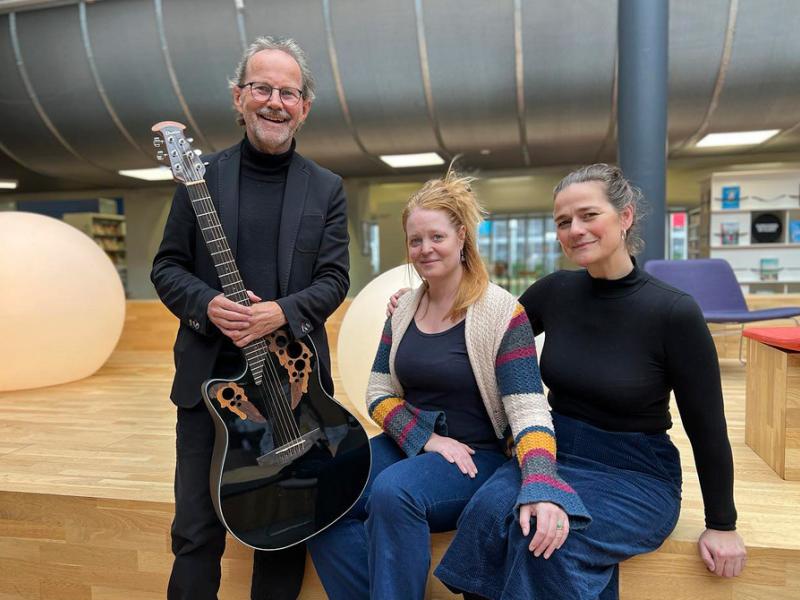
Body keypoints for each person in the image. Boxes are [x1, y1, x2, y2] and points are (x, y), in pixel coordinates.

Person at [428, 163, 747, 599]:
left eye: (588, 215)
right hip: (555, 452)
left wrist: (722, 524)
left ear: (625, 216)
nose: (575, 229)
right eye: (563, 222)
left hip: (635, 473)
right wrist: (420, 304)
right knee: (485, 514)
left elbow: (708, 427)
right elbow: (484, 336)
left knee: (546, 541)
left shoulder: (673, 312)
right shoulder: (555, 292)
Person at [307, 170, 590, 600]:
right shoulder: (402, 309)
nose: (425, 249)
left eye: (436, 237)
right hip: (415, 444)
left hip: (481, 458)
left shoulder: (501, 312)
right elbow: (378, 393)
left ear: (461, 236)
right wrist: (428, 440)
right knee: (321, 494)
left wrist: (540, 482)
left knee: (393, 491)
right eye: (415, 240)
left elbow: (529, 409)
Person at [150, 37, 349, 600]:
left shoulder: (327, 188)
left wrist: (279, 313)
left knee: (283, 532)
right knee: (194, 532)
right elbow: (166, 266)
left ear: (304, 107)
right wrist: (207, 305)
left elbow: (335, 280)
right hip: (207, 392)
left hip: (293, 389)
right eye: (262, 88)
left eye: (288, 92)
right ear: (239, 98)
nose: (275, 102)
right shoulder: (199, 178)